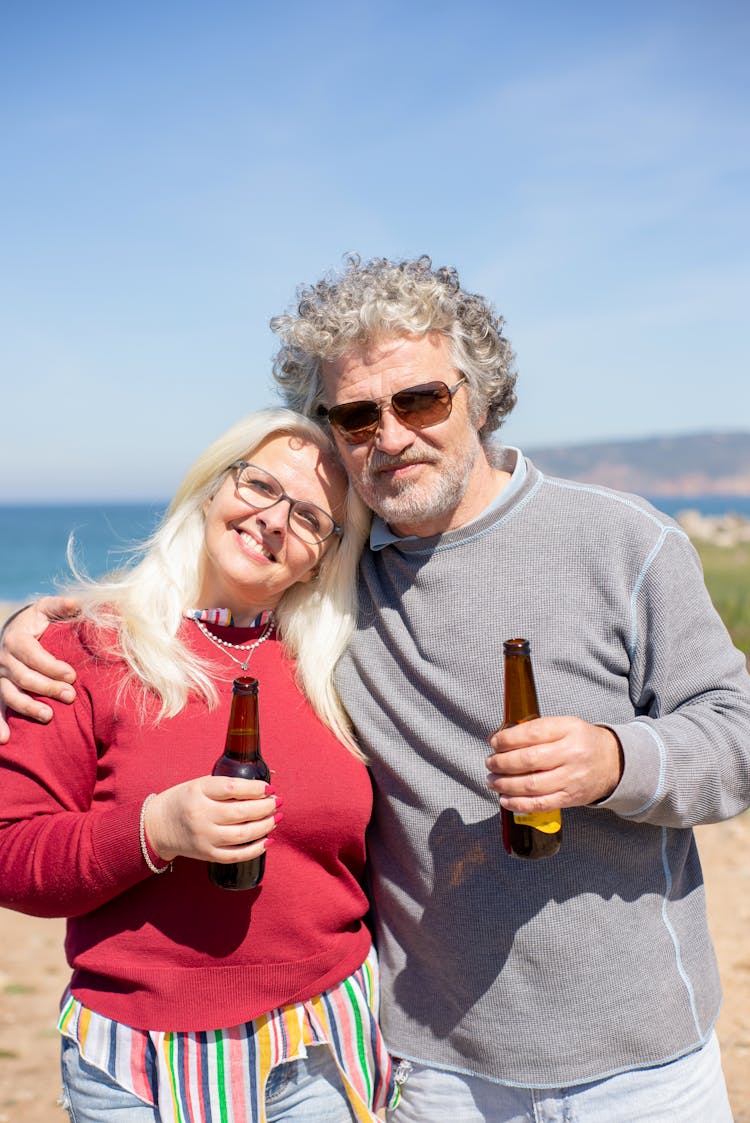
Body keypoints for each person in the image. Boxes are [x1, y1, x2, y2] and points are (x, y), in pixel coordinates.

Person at [3, 256, 750, 1122]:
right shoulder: (344, 588)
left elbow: (735, 735)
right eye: (356, 415)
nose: (389, 435)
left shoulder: (626, 540)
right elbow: (199, 608)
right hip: (434, 1065)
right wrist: (33, 625)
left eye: (421, 399)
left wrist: (616, 757)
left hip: (637, 1060)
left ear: (480, 392)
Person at [0, 407, 398, 1123]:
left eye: (311, 517)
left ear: (326, 554)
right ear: (214, 487)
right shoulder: (79, 651)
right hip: (132, 1062)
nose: (276, 520)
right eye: (260, 485)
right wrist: (155, 829)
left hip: (314, 1050)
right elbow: (11, 852)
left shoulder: (345, 666)